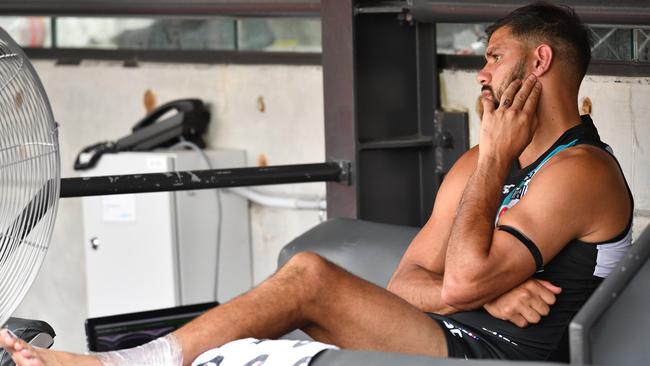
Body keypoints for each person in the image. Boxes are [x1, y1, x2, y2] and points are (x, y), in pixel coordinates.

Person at [0, 1, 633, 365]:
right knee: (305, 274)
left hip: (507, 361)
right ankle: (123, 365)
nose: (481, 74)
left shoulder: (582, 172)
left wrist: (495, 162)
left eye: (493, 56)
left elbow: (459, 280)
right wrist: (481, 293)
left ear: (539, 61)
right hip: (453, 336)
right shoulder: (475, 164)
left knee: (308, 281)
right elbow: (406, 285)